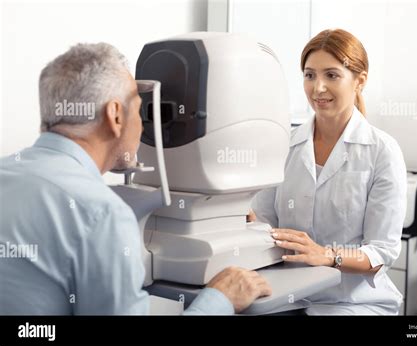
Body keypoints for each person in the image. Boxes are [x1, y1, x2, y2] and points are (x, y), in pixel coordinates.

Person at [0, 43, 271, 315]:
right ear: (115, 115)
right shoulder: (102, 213)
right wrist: (218, 300)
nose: (144, 126)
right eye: (140, 109)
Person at [251, 29, 406, 315]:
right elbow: (264, 223)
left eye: (331, 75)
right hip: (287, 293)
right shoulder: (285, 144)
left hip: (351, 301)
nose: (317, 88)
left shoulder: (382, 150)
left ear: (359, 81)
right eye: (309, 75)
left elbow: (381, 252)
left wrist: (327, 255)